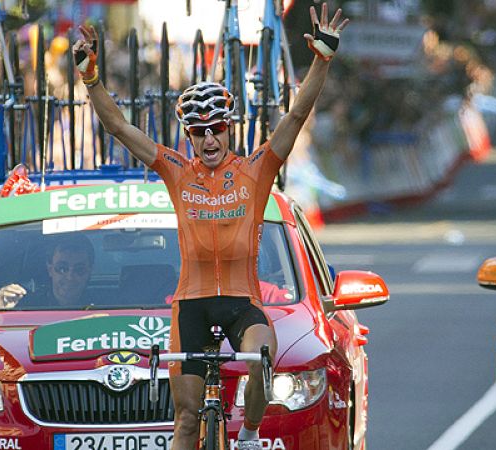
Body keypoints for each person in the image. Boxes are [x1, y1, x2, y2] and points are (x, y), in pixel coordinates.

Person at [73, 5, 348, 449]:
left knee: (260, 358)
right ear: (189, 136)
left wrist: (321, 59)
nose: (210, 140)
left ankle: (250, 436)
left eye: (217, 128)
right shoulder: (177, 170)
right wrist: (91, 80)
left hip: (242, 301)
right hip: (192, 305)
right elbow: (120, 127)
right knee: (185, 421)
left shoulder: (256, 169)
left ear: (230, 128)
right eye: (199, 132)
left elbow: (295, 117)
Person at [0, 236, 95, 309]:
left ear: (89, 271)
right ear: (50, 269)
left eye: (79, 269)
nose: (70, 277)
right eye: (62, 268)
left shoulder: (105, 306)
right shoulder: (24, 305)